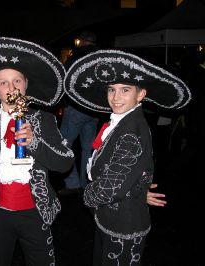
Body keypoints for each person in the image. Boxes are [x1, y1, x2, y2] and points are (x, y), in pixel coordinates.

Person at [0, 37, 75, 266]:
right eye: (3, 83)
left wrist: (35, 142)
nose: (11, 87)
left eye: (17, 80)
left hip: (36, 212)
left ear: (26, 84)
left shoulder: (44, 120)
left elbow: (65, 163)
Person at [63, 49, 191, 265]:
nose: (115, 97)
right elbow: (125, 174)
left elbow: (111, 187)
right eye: (112, 90)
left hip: (123, 224)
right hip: (112, 216)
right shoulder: (123, 121)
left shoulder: (132, 131)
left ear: (141, 94)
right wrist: (136, 192)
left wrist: (87, 195)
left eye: (125, 90)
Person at [58, 31, 100, 195]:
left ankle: (73, 182)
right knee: (88, 148)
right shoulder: (99, 58)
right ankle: (85, 183)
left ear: (81, 42)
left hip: (76, 108)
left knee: (64, 146)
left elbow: (65, 81)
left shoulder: (74, 59)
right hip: (94, 109)